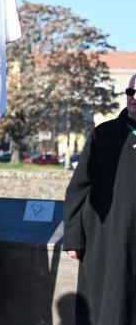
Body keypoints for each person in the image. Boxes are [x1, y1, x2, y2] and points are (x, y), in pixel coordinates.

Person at [64, 74, 136, 324]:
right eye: (130, 92)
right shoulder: (103, 134)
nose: (134, 98)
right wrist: (74, 237)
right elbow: (78, 189)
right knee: (107, 307)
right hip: (106, 239)